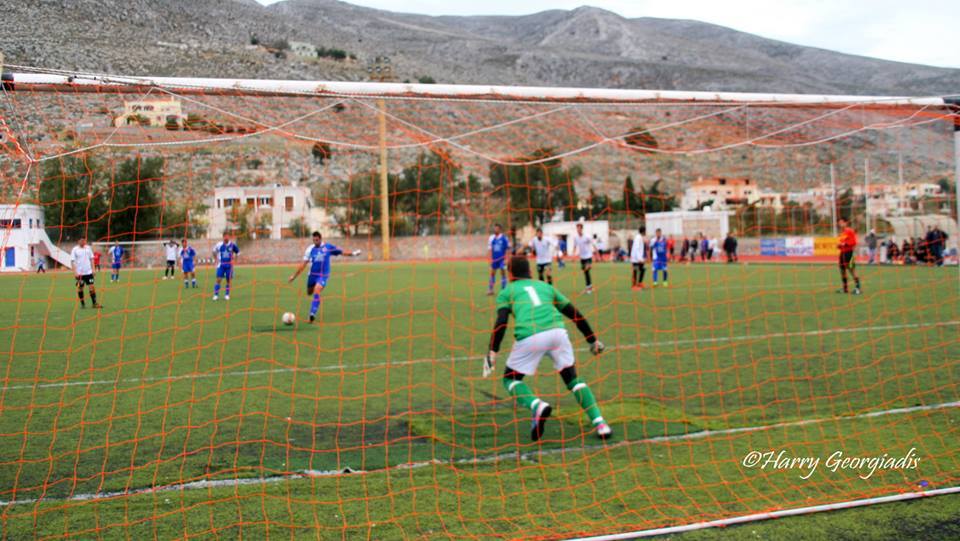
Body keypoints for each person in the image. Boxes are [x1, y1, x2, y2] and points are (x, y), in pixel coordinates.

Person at [483, 256, 611, 441]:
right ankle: (600, 424)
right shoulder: (545, 286)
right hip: (558, 333)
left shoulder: (507, 291)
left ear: (510, 274)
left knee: (510, 379)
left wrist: (492, 351)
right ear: (530, 272)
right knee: (572, 379)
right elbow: (574, 313)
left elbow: (501, 322)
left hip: (530, 336)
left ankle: (537, 406)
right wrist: (592, 340)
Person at [288, 231, 362, 323]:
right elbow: (303, 264)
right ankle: (314, 303)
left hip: (323, 275)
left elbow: (341, 252)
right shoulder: (310, 249)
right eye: (314, 240)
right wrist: (294, 276)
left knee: (317, 291)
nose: (315, 242)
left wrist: (353, 253)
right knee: (309, 292)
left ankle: (312, 314)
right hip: (312, 275)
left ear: (320, 239)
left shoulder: (328, 247)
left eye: (317, 240)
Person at [71, 238, 101, 309]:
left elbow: (92, 259)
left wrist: (93, 269)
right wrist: (75, 272)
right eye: (81, 240)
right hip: (80, 274)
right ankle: (82, 304)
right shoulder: (75, 249)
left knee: (92, 287)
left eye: (84, 240)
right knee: (80, 288)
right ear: (78, 241)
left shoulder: (88, 248)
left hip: (89, 273)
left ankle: (94, 303)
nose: (83, 242)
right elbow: (72, 261)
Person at [837, 217, 862, 295]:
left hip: (849, 253)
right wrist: (839, 245)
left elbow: (854, 242)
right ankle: (845, 288)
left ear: (846, 223)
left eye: (841, 222)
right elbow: (842, 243)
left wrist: (844, 244)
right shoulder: (842, 233)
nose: (840, 224)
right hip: (842, 253)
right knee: (842, 271)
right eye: (839, 223)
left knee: (852, 270)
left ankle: (858, 288)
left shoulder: (850, 231)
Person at [213, 232, 239, 301]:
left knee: (228, 280)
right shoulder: (219, 244)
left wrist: (235, 260)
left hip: (229, 265)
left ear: (229, 237)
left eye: (228, 236)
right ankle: (216, 295)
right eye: (225, 236)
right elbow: (214, 251)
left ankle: (227, 295)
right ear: (223, 237)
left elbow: (238, 252)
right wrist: (216, 259)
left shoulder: (232, 245)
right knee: (218, 279)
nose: (226, 238)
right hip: (221, 264)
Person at [572, 223, 596, 294]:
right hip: (582, 257)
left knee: (587, 269)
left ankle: (589, 289)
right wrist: (573, 255)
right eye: (577, 228)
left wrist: (596, 254)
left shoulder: (587, 236)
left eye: (579, 228)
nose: (578, 230)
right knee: (586, 273)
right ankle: (589, 287)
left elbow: (593, 244)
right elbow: (574, 246)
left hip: (588, 256)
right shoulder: (576, 238)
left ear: (582, 229)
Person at [487, 224, 510, 295]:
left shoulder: (504, 238)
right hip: (494, 259)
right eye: (494, 228)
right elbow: (490, 249)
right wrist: (490, 259)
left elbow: (507, 249)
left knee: (503, 273)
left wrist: (506, 259)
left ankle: (503, 289)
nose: (495, 230)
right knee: (492, 273)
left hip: (502, 259)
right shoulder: (491, 238)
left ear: (500, 229)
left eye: (496, 228)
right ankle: (490, 289)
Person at [630, 226, 646, 290]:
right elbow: (636, 248)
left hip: (638, 258)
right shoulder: (638, 238)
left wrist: (641, 258)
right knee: (635, 270)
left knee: (643, 269)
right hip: (635, 259)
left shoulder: (639, 237)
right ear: (643, 231)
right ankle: (634, 286)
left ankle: (639, 283)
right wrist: (640, 259)